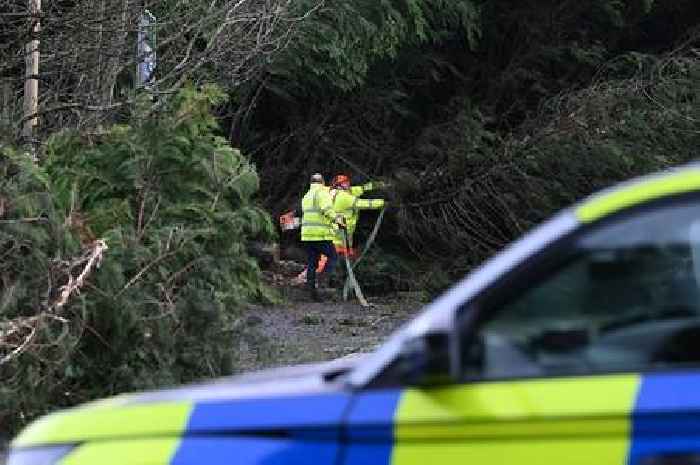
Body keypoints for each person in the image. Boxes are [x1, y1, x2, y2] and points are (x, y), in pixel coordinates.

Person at [301, 173, 344, 301]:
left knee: (312, 263)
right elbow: (327, 210)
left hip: (307, 236)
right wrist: (338, 220)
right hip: (320, 235)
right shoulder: (322, 193)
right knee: (333, 256)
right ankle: (322, 280)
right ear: (323, 182)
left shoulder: (307, 196)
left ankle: (311, 293)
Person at [330, 174, 385, 257]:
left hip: (337, 234)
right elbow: (365, 204)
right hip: (338, 236)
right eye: (345, 183)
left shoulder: (337, 193)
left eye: (347, 182)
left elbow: (361, 188)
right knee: (330, 260)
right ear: (339, 186)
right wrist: (383, 202)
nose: (348, 184)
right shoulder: (344, 197)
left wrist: (376, 185)